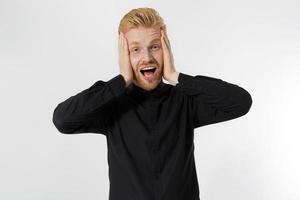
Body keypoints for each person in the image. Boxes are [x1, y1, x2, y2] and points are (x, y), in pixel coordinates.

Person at [52, 7, 252, 200]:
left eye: (154, 47)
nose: (147, 57)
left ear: (166, 49)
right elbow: (63, 120)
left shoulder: (184, 100)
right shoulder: (111, 104)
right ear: (124, 55)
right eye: (135, 49)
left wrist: (176, 76)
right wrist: (121, 80)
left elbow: (240, 102)